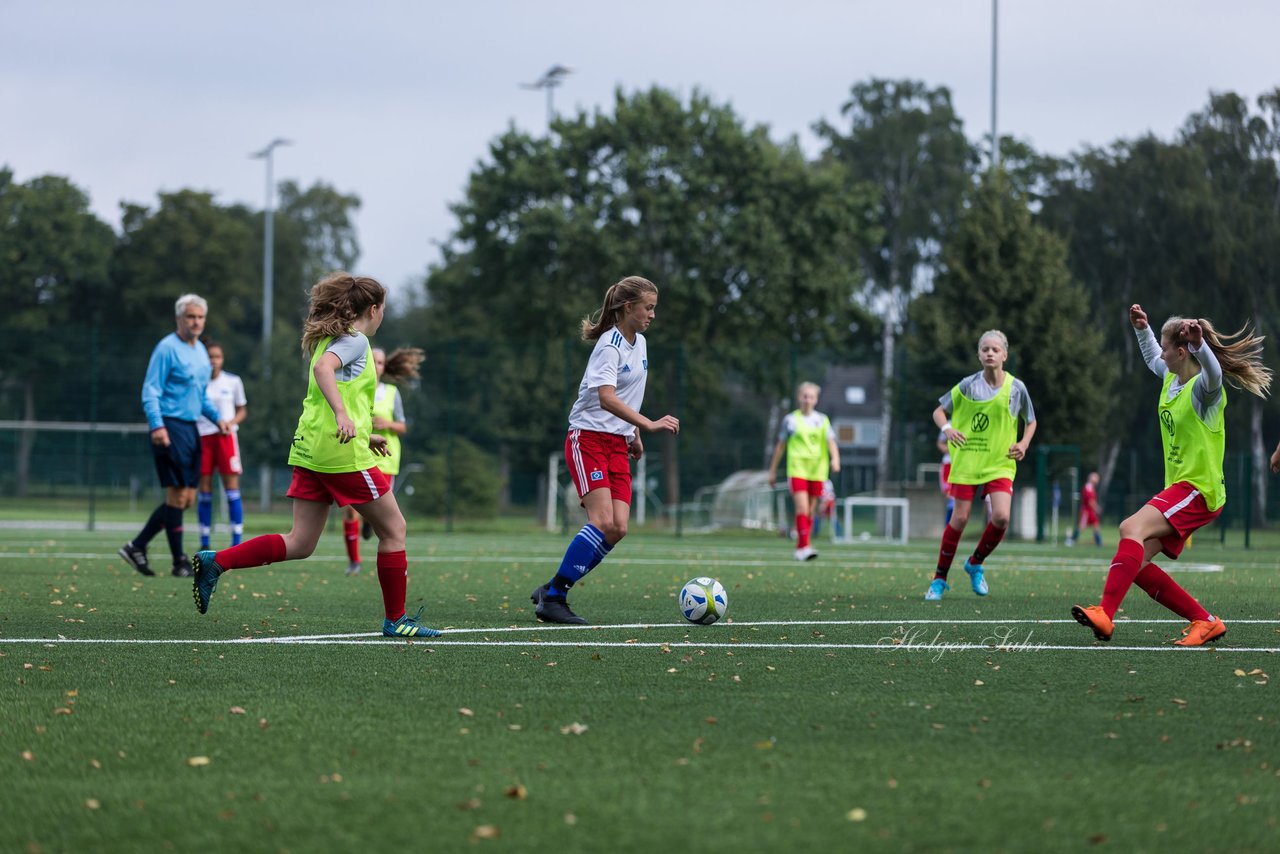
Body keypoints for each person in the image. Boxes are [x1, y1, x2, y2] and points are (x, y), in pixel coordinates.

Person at [191, 272, 441, 638]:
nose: (383, 315)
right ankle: (397, 620)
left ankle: (217, 562)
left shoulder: (333, 339)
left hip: (312, 450)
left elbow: (338, 388)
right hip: (341, 456)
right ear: (373, 309)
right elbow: (325, 372)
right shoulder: (355, 342)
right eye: (383, 309)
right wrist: (343, 416)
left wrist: (365, 430)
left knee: (301, 542)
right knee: (395, 529)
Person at [1072, 305, 1271, 646]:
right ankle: (1205, 621)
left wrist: (1200, 347)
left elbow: (1215, 375)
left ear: (1181, 352)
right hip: (1182, 489)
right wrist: (1142, 329)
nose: (1161, 355)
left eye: (1166, 349)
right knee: (1135, 562)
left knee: (1129, 528)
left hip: (1199, 490)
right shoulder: (1171, 378)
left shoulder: (1203, 392)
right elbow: (1152, 357)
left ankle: (1105, 614)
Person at [531, 275, 680, 624]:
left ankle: (552, 586)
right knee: (601, 522)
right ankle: (554, 598)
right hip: (589, 439)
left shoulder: (639, 343)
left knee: (618, 528)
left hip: (617, 442)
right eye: (648, 308)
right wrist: (648, 424)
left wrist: (633, 435)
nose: (652, 315)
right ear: (628, 307)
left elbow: (629, 396)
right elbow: (606, 397)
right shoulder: (609, 345)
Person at [119, 294, 229, 578]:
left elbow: (200, 396)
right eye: (190, 317)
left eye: (200, 317)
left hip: (192, 427)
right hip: (170, 425)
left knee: (188, 498)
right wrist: (157, 425)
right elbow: (151, 390)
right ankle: (178, 561)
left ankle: (137, 545)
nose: (196, 322)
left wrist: (218, 419)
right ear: (179, 319)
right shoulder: (166, 348)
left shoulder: (201, 353)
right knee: (177, 495)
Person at [926, 330, 1036, 600]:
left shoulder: (1016, 388)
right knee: (960, 519)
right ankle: (939, 579)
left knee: (1001, 517)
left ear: (1004, 356)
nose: (990, 353)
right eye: (985, 349)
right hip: (968, 461)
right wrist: (948, 428)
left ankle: (975, 562)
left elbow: (1031, 420)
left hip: (999, 463)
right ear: (978, 355)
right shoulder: (967, 385)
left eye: (995, 349)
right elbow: (938, 411)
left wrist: (1023, 443)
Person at [342, 345, 424, 573]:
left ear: (383, 367)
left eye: (379, 362)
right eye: (371, 361)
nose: (376, 366)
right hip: (358, 455)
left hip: (386, 459)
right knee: (350, 510)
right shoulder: (355, 388)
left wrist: (386, 424)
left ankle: (389, 551)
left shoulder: (391, 393)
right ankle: (354, 561)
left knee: (383, 516)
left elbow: (403, 426)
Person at [768, 382, 841, 560]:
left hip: (817, 471)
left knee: (810, 511)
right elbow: (780, 446)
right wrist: (772, 470)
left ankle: (801, 546)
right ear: (799, 397)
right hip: (797, 469)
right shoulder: (791, 420)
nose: (807, 400)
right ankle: (804, 547)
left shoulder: (823, 420)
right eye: (804, 396)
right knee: (802, 507)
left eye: (811, 397)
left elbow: (830, 441)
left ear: (816, 400)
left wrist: (836, 459)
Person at [196, 341, 248, 550]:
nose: (213, 361)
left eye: (217, 357)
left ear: (222, 359)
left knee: (232, 490)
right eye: (209, 357)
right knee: (205, 491)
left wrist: (231, 423)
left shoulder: (233, 381)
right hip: (203, 438)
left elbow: (242, 410)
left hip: (226, 438)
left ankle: (236, 542)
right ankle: (205, 542)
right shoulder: (198, 382)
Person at [1065, 471, 1103, 548]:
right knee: (1081, 527)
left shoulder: (1091, 487)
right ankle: (1071, 540)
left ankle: (1099, 543)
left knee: (1096, 525)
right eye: (1096, 477)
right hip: (1086, 511)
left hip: (1091, 511)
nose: (1097, 479)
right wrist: (1097, 508)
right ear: (1091, 478)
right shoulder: (1088, 487)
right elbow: (1090, 501)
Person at [937, 429, 955, 525]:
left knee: (957, 500)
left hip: (962, 465)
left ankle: (951, 530)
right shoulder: (948, 424)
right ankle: (948, 529)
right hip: (948, 465)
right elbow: (940, 443)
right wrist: (951, 449)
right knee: (950, 497)